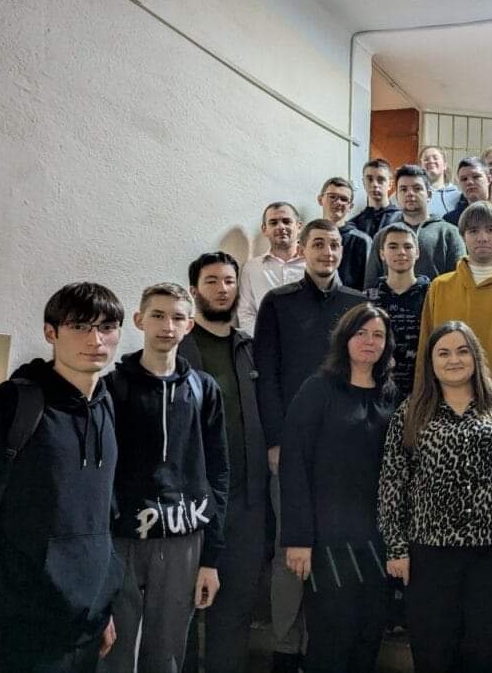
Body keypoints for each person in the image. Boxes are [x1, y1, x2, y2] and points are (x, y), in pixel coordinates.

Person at [0, 283, 125, 673]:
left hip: (83, 630)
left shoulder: (107, 406)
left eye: (106, 327)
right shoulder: (7, 405)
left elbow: (99, 518)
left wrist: (102, 608)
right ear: (50, 333)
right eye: (80, 326)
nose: (95, 340)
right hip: (11, 631)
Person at [378, 321, 492, 673]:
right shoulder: (411, 411)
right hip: (430, 553)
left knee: (491, 652)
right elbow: (392, 481)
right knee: (435, 653)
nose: (454, 360)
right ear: (430, 362)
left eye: (463, 351)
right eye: (443, 353)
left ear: (476, 357)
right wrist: (396, 547)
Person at [254, 219, 366, 671]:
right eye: (318, 244)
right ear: (303, 249)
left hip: (343, 450)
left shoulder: (357, 304)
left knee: (336, 546)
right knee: (290, 548)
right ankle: (285, 648)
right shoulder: (278, 303)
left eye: (334, 244)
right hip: (292, 448)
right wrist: (275, 441)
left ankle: (326, 645)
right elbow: (266, 376)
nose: (327, 252)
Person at [104, 283, 229, 673]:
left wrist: (210, 559)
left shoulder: (204, 389)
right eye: (158, 315)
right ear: (139, 320)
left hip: (183, 541)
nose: (167, 326)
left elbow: (218, 474)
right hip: (120, 539)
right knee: (112, 652)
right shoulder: (111, 388)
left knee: (168, 654)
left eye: (177, 317)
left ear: (189, 325)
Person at [279, 304, 397, 673]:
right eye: (361, 333)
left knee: (368, 633)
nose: (369, 341)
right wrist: (298, 538)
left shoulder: (390, 394)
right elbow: (293, 464)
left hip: (376, 539)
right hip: (328, 539)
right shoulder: (318, 389)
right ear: (344, 338)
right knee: (332, 638)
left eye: (378, 335)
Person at [181, 253, 268, 673]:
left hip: (247, 502)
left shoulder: (250, 349)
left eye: (229, 281)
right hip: (191, 501)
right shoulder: (180, 348)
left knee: (235, 610)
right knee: (180, 611)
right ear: (195, 290)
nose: (222, 289)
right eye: (212, 281)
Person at [417, 201, 492, 384]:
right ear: (463, 236)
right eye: (473, 231)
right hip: (445, 392)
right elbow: (426, 346)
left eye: (491, 230)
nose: (482, 238)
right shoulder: (440, 287)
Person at [364, 165, 467, 288]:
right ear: (397, 197)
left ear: (429, 194)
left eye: (417, 188)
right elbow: (371, 285)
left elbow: (460, 282)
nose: (410, 193)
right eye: (403, 189)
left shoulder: (450, 233)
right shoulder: (383, 235)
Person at [364, 222, 430, 401]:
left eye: (407, 246)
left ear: (417, 252)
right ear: (382, 254)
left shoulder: (433, 296)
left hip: (423, 393)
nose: (401, 252)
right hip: (377, 395)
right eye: (393, 247)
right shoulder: (367, 300)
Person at [238, 202, 306, 335]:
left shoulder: (315, 263)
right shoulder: (252, 268)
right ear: (265, 229)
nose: (281, 227)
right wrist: (266, 340)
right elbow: (246, 313)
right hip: (266, 344)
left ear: (299, 226)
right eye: (273, 223)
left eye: (286, 221)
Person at [318, 176, 372, 290]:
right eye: (332, 197)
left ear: (350, 206)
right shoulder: (309, 237)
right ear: (320, 199)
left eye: (343, 199)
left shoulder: (362, 241)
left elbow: (369, 284)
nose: (338, 202)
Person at [349, 158, 400, 237]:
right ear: (363, 183)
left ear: (390, 184)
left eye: (380, 179)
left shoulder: (402, 220)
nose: (375, 184)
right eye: (370, 179)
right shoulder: (354, 225)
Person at [443, 156, 490, 227]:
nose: (469, 182)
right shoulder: (450, 221)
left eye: (475, 177)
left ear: (489, 179)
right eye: (464, 179)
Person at [417, 145, 463, 216]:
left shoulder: (459, 196)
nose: (431, 161)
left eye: (435, 158)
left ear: (444, 165)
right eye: (426, 159)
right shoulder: (413, 194)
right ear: (420, 166)